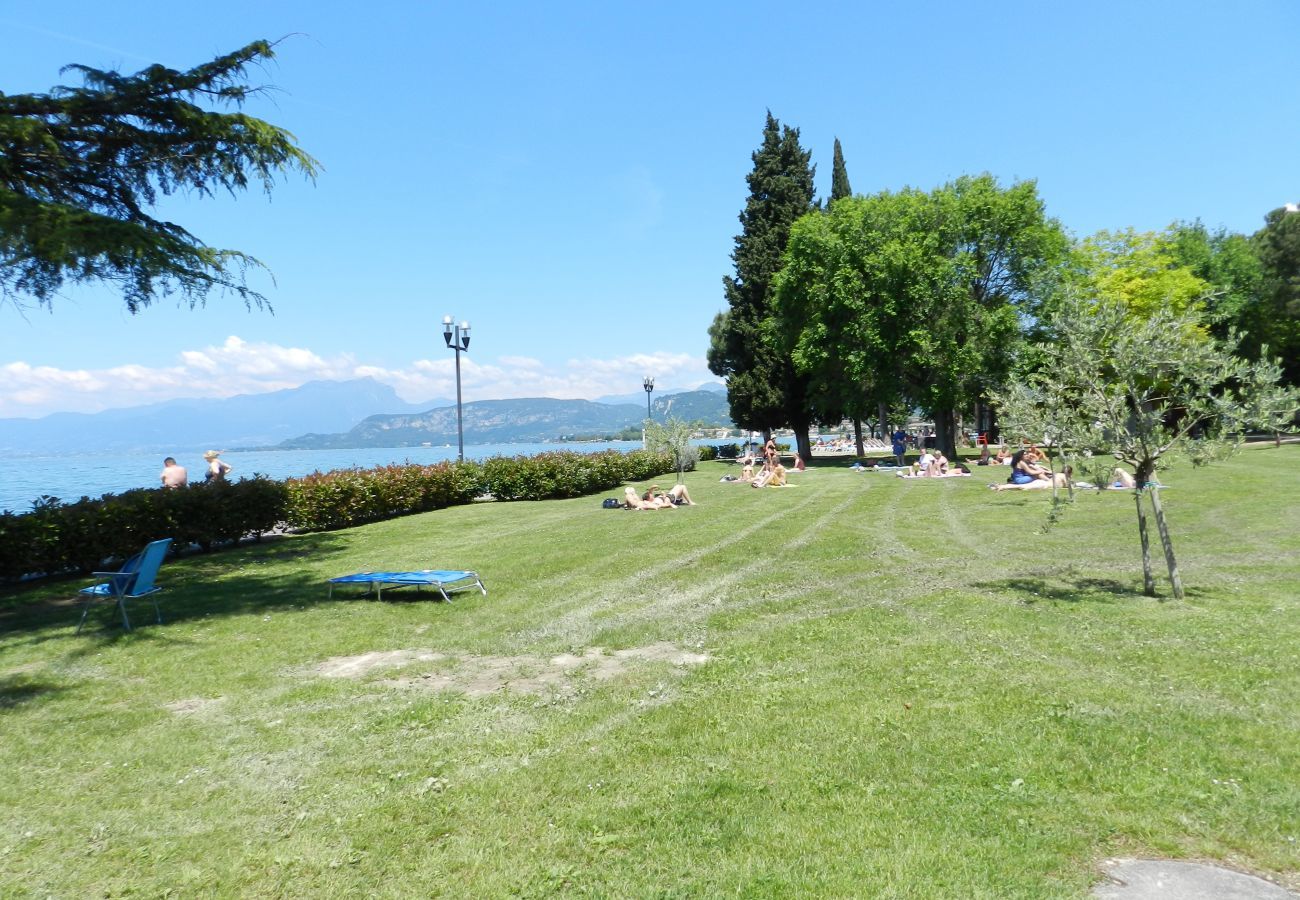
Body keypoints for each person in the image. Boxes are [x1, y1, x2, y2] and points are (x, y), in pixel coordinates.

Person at [991, 465, 1072, 491]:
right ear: (1069, 473)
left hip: (1042, 482)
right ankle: (1002, 487)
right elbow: (1068, 486)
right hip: (1043, 484)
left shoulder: (1058, 474)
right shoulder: (1064, 477)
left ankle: (1001, 486)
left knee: (1023, 486)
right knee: (1022, 487)